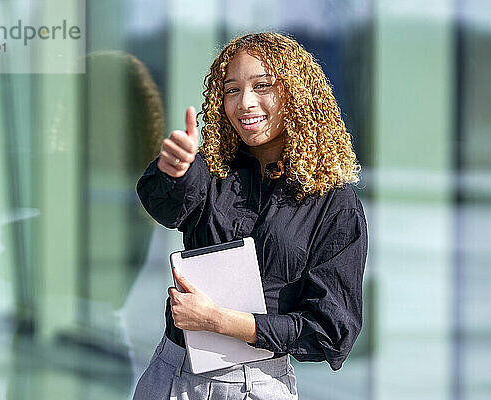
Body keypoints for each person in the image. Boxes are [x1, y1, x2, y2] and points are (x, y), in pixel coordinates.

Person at [133, 32, 368, 400]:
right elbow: (165, 205)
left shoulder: (334, 204)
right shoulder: (210, 168)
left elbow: (332, 331)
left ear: (296, 94)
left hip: (258, 385)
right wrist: (172, 170)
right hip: (173, 374)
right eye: (231, 90)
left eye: (263, 86)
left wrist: (218, 322)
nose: (245, 103)